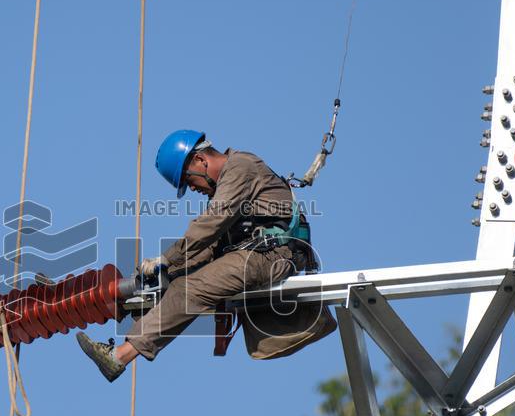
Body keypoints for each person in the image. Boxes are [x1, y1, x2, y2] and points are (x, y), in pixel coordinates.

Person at [76, 129, 335, 382]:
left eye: (189, 181)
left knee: (189, 289)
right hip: (251, 252)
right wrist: (168, 268)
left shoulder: (240, 167)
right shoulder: (226, 183)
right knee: (168, 280)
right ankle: (91, 301)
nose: (193, 188)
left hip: (274, 253)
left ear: (200, 160)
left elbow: (212, 223)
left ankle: (120, 356)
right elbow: (212, 243)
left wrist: (167, 257)